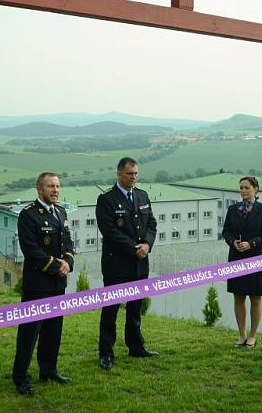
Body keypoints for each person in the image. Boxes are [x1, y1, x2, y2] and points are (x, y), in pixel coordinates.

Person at [12, 172, 75, 395]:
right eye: (51, 186)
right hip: (37, 284)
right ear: (40, 189)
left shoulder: (61, 211)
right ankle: (21, 377)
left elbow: (68, 241)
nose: (56, 190)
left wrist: (68, 261)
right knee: (30, 332)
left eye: (58, 186)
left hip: (58, 284)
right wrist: (56, 266)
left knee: (53, 329)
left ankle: (48, 370)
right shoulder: (28, 215)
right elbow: (31, 250)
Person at [96, 157, 158, 370]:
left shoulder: (142, 195)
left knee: (135, 308)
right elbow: (110, 232)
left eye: (136, 174)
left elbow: (151, 223)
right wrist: (135, 248)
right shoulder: (106, 199)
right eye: (129, 174)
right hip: (117, 265)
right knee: (111, 310)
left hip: (140, 264)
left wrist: (147, 245)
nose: (133, 178)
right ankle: (106, 352)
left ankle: (136, 346)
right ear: (119, 173)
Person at [221, 176, 262, 348]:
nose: (243, 190)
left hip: (256, 258)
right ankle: (242, 334)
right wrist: (233, 242)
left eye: (246, 188)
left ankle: (253, 335)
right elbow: (226, 231)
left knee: (255, 297)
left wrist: (252, 243)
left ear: (256, 189)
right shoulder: (232, 209)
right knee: (238, 296)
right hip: (236, 257)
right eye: (241, 188)